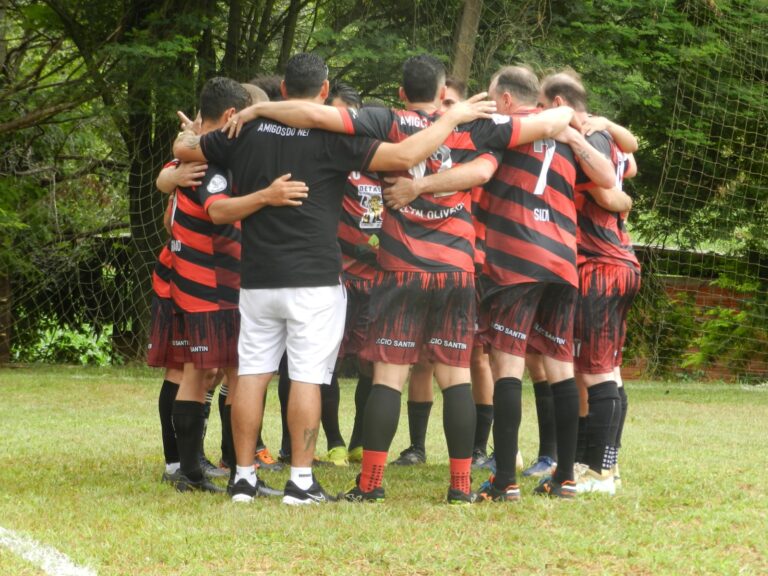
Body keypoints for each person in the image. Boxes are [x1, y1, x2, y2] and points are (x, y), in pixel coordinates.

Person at [225, 54, 578, 504]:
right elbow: (551, 122)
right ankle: (460, 486)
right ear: (442, 90)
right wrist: (574, 116)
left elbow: (313, 112)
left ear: (401, 92)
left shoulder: (385, 120)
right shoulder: (477, 126)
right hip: (454, 269)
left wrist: (259, 109)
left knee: (389, 376)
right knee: (456, 377)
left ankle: (370, 484)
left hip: (400, 265)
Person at [173, 52, 495, 505]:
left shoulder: (243, 130)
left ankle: (242, 477)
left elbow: (187, 150)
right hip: (315, 278)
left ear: (283, 89)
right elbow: (406, 154)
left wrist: (185, 144)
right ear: (324, 92)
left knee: (251, 374)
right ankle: (300, 482)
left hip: (257, 276)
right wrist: (453, 117)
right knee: (306, 376)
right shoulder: (334, 133)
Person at [470, 65, 615, 501]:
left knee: (509, 365)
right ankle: (565, 476)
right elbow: (608, 179)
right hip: (562, 264)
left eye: (494, 97)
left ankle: (504, 482)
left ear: (508, 100)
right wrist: (573, 135)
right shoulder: (571, 136)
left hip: (515, 262)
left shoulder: (502, 126)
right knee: (559, 366)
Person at [538, 71, 639, 494]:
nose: (540, 115)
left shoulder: (589, 139)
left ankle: (603, 471)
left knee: (598, 373)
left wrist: (617, 198)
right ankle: (587, 462)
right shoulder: (606, 135)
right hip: (611, 263)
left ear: (559, 102)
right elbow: (630, 165)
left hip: (601, 265)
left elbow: (612, 189)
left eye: (543, 106)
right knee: (596, 370)